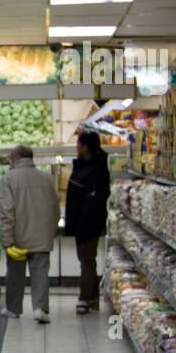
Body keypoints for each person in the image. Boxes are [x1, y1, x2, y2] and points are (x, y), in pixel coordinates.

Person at [0, 145, 58, 323]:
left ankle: (13, 308)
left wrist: (6, 238)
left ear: (15, 158)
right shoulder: (46, 178)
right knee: (40, 274)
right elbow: (55, 208)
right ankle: (40, 308)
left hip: (18, 236)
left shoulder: (8, 178)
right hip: (41, 234)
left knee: (15, 275)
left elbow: (6, 211)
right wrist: (51, 230)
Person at [65, 130, 111, 314]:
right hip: (81, 223)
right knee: (86, 260)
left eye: (78, 144)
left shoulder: (96, 170)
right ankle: (92, 299)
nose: (76, 147)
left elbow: (93, 202)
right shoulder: (85, 166)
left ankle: (84, 299)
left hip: (88, 223)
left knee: (86, 261)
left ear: (85, 147)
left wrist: (83, 225)